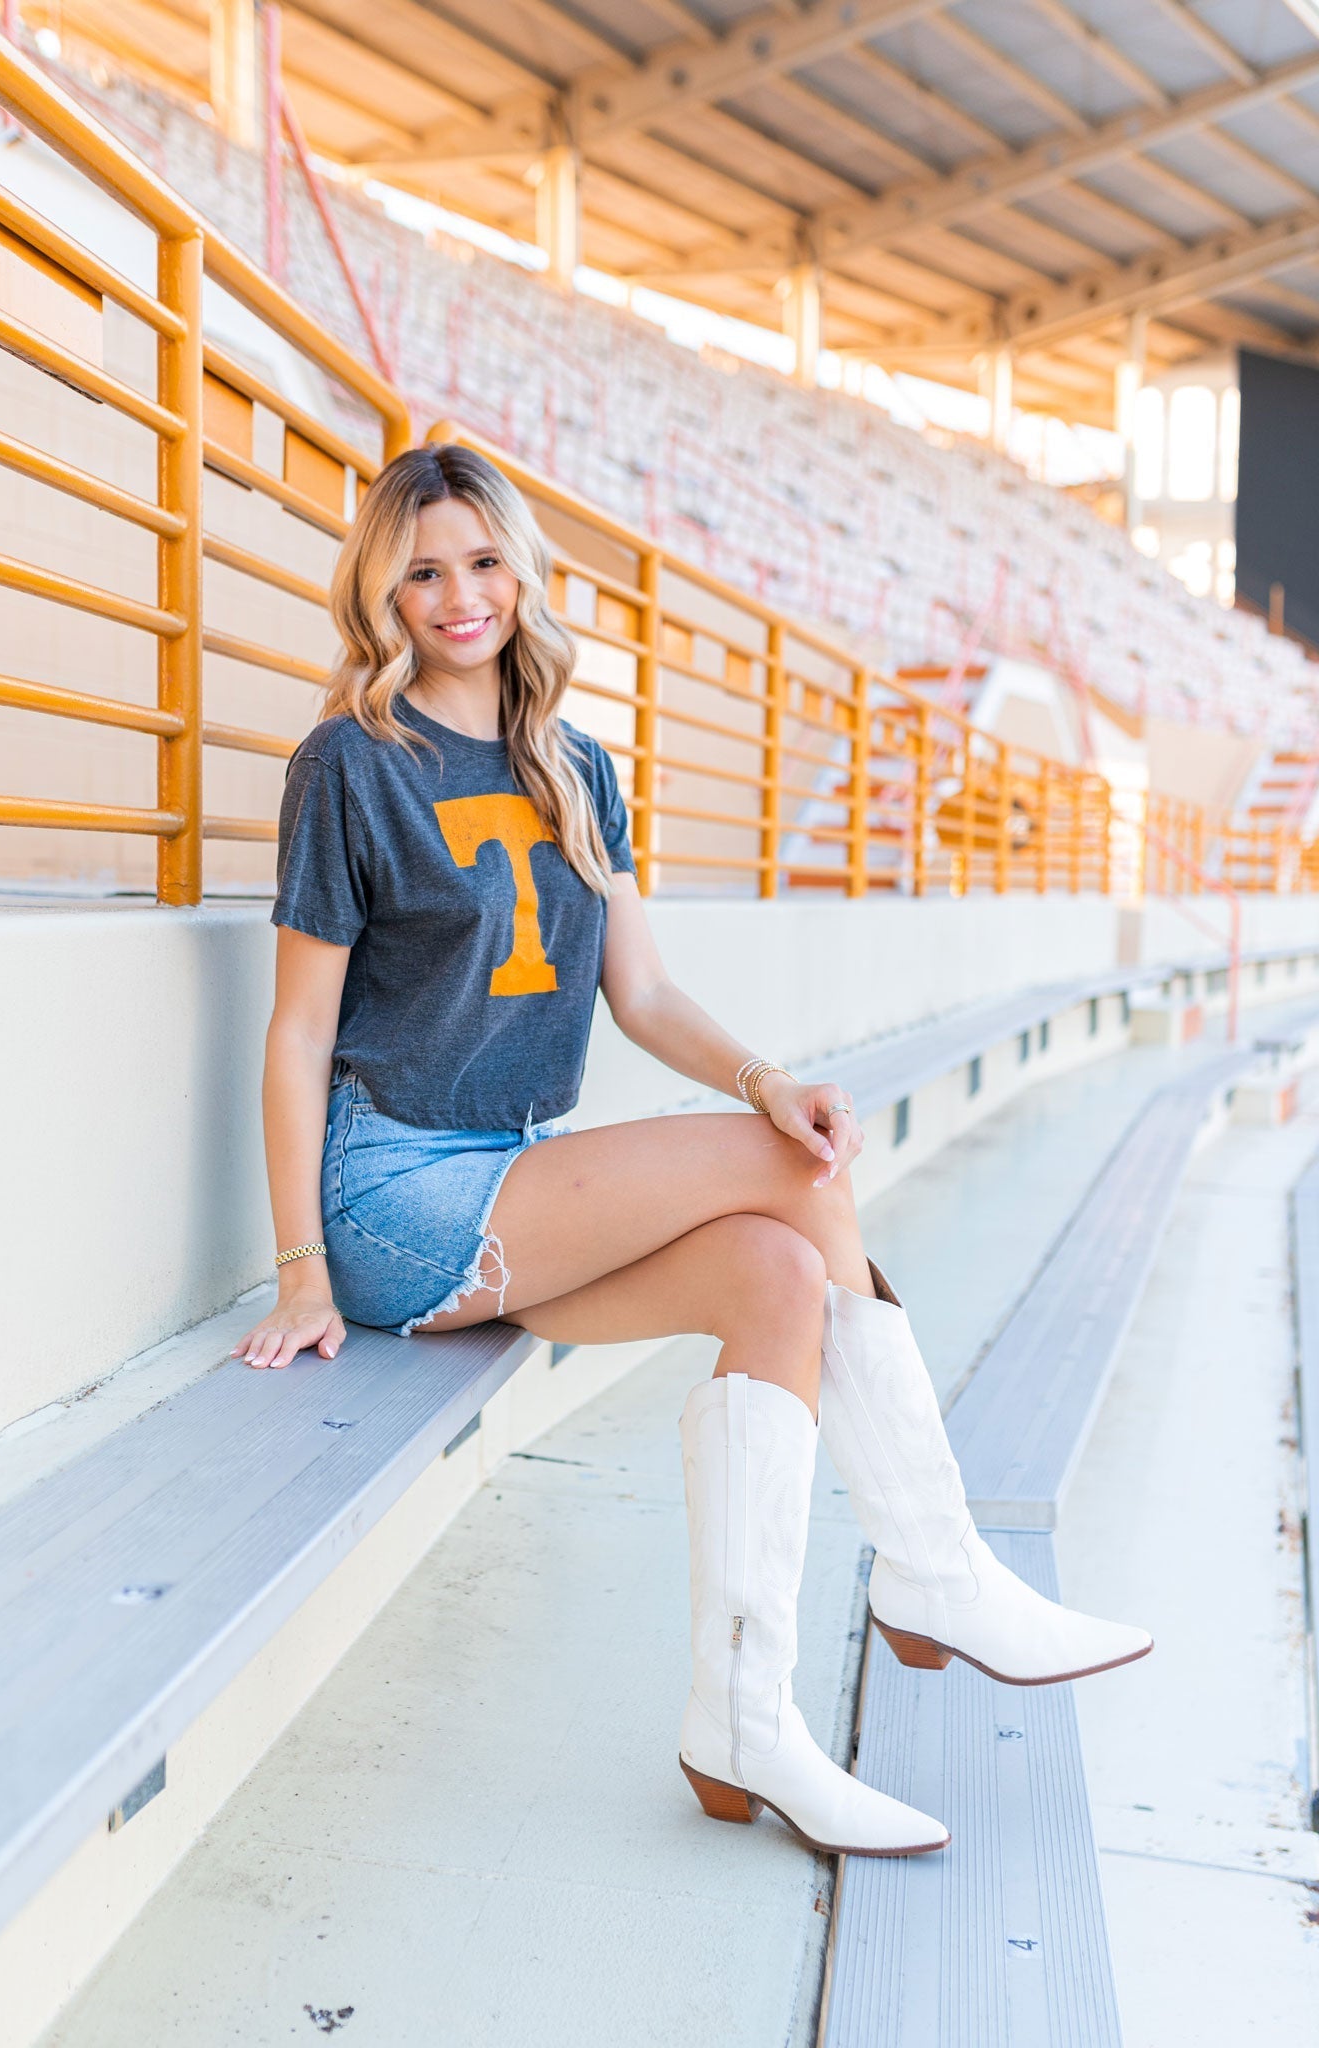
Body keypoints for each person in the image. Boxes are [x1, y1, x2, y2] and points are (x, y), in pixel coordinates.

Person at [235, 442, 1151, 1858]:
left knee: (777, 1275)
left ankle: (743, 1718)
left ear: (523, 572)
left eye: (483, 562)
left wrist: (766, 1079)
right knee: (798, 1175)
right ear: (382, 592)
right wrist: (302, 1268)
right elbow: (300, 1035)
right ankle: (935, 1567)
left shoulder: (577, 768)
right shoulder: (352, 764)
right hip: (395, 1192)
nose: (459, 596)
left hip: (514, 1179)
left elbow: (645, 993)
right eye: (422, 572)